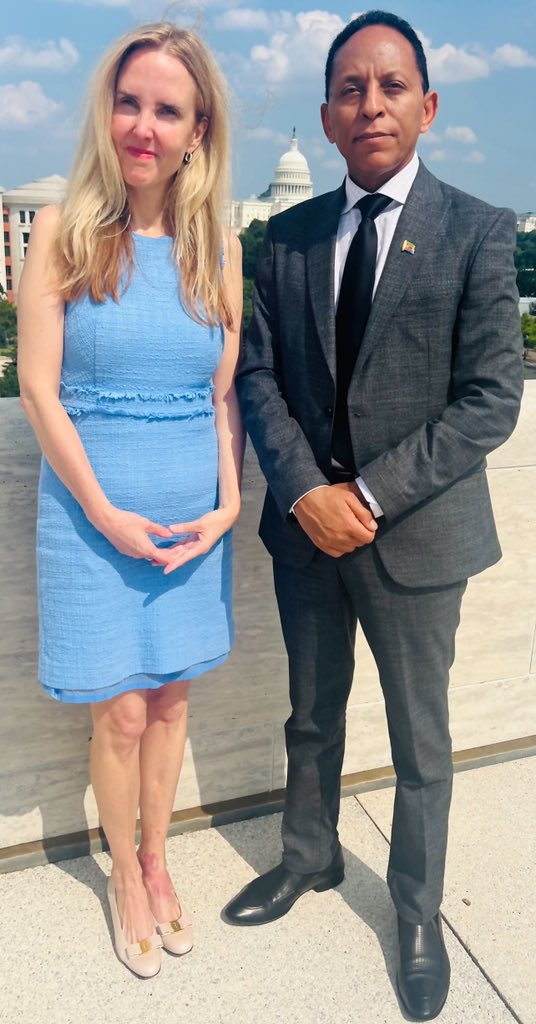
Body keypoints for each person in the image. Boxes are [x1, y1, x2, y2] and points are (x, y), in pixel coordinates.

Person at [225, 10, 523, 1020]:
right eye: (350, 89)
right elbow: (257, 375)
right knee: (310, 715)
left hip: (416, 536)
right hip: (305, 536)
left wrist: (365, 494)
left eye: (391, 86)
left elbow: (490, 396)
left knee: (419, 739)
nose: (371, 105)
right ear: (325, 117)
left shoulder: (478, 229)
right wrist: (305, 491)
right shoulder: (288, 235)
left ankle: (414, 911)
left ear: (426, 105)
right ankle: (307, 855)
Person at [18, 22, 243, 979]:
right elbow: (38, 390)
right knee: (116, 714)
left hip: (192, 525)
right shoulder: (63, 233)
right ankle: (124, 873)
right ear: (106, 113)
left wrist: (229, 505)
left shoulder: (217, 246)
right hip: (89, 522)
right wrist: (106, 514)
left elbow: (222, 395)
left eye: (167, 110)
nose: (144, 127)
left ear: (198, 131)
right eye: (129, 103)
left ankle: (158, 858)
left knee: (171, 703)